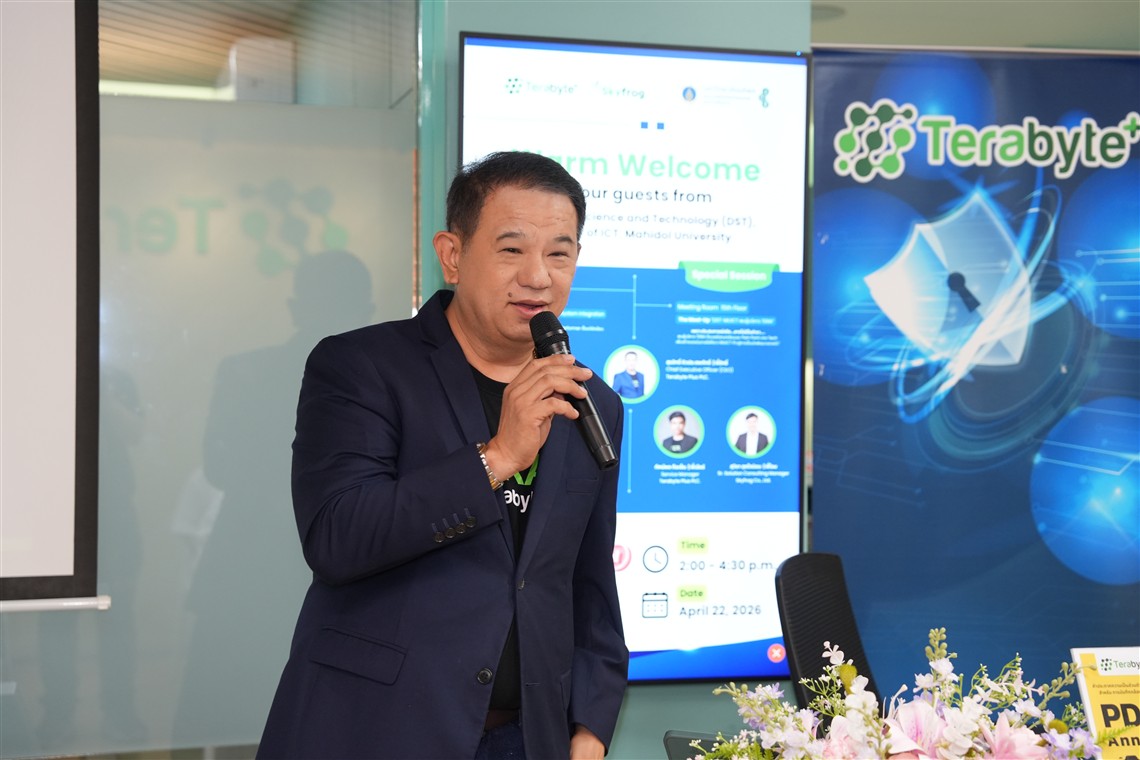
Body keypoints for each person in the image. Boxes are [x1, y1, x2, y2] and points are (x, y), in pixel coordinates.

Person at [257, 151, 628, 760]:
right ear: (452, 255)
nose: (538, 276)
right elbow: (337, 537)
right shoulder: (361, 367)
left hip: (526, 738)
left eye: (559, 254)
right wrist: (498, 456)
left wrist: (591, 722)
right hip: (375, 730)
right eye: (512, 249)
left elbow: (588, 582)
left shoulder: (591, 402)